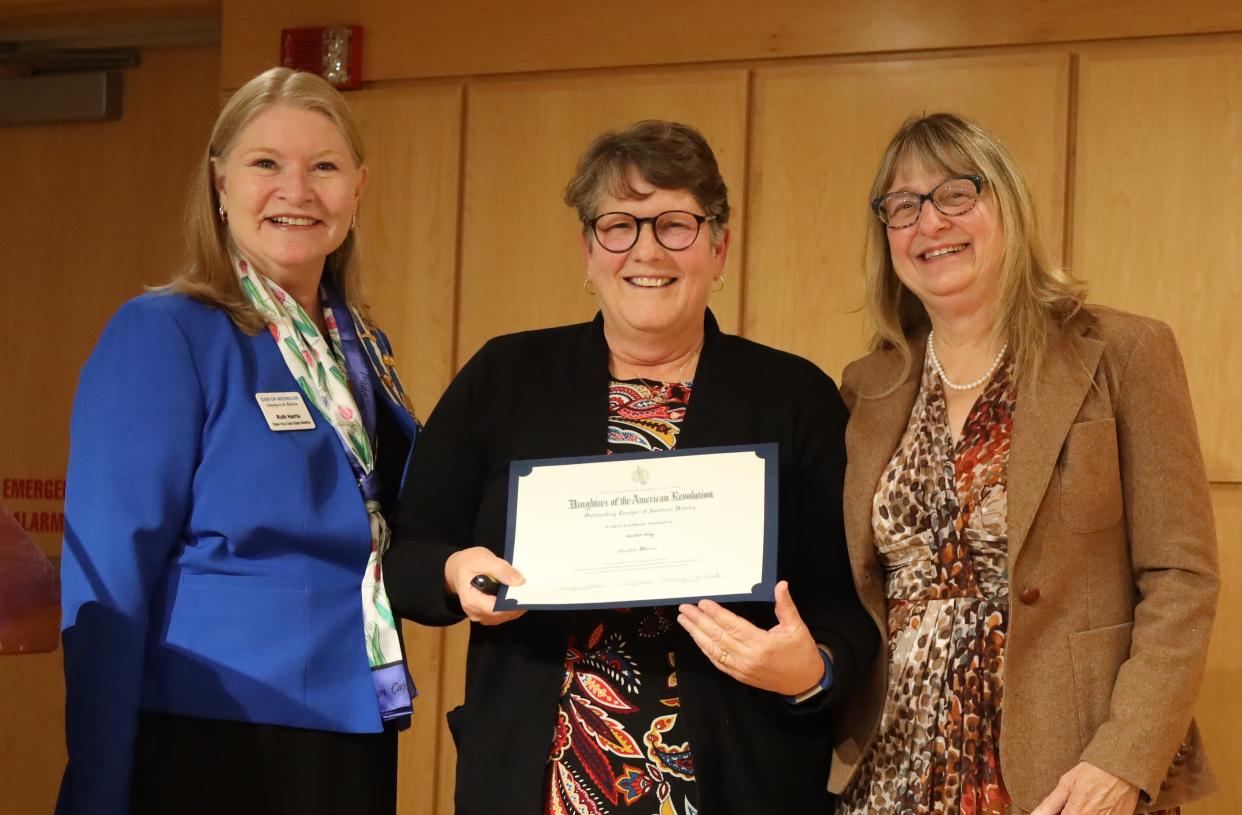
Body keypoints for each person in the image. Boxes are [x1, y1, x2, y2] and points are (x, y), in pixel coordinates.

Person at [384, 119, 876, 814]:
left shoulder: (793, 396)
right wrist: (456, 571)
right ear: (588, 252)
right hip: (539, 784)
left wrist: (811, 670)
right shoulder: (505, 377)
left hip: (740, 781)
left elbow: (846, 604)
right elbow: (409, 554)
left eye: (675, 223)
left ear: (718, 246)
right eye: (619, 225)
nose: (646, 248)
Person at [832, 112, 1219, 815]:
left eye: (956, 194)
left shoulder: (1124, 353)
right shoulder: (868, 385)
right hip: (889, 777)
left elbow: (1181, 579)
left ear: (1006, 204)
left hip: (1069, 777)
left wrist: (1123, 759)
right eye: (903, 205)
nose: (930, 222)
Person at [58, 67, 419, 815]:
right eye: (266, 164)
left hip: (354, 716)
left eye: (323, 166)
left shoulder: (361, 349)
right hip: (216, 725)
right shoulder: (165, 332)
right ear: (220, 184)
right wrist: (96, 780)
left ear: (358, 187)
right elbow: (109, 581)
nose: (298, 190)